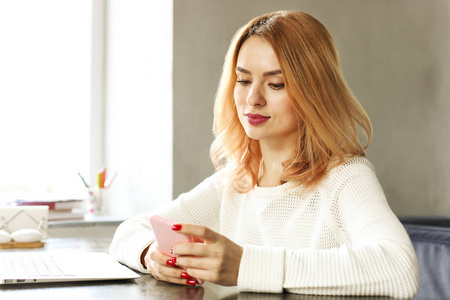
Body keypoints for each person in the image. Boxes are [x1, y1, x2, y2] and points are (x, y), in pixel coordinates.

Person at [110, 10, 419, 298]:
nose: (252, 98)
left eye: (276, 83)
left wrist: (245, 265)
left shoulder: (346, 176)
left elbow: (399, 268)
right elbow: (130, 231)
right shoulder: (237, 180)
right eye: (243, 80)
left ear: (314, 91)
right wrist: (149, 253)